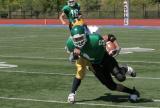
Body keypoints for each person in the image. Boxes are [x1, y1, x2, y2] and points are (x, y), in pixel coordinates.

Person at [65, 25, 140, 103]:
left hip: (105, 59)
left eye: (80, 38)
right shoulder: (70, 44)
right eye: (76, 39)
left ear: (85, 35)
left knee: (121, 77)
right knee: (111, 86)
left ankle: (125, 69)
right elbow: (73, 59)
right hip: (95, 65)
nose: (78, 41)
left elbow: (110, 37)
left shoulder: (95, 39)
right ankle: (133, 92)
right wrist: (74, 56)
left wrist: (117, 47)